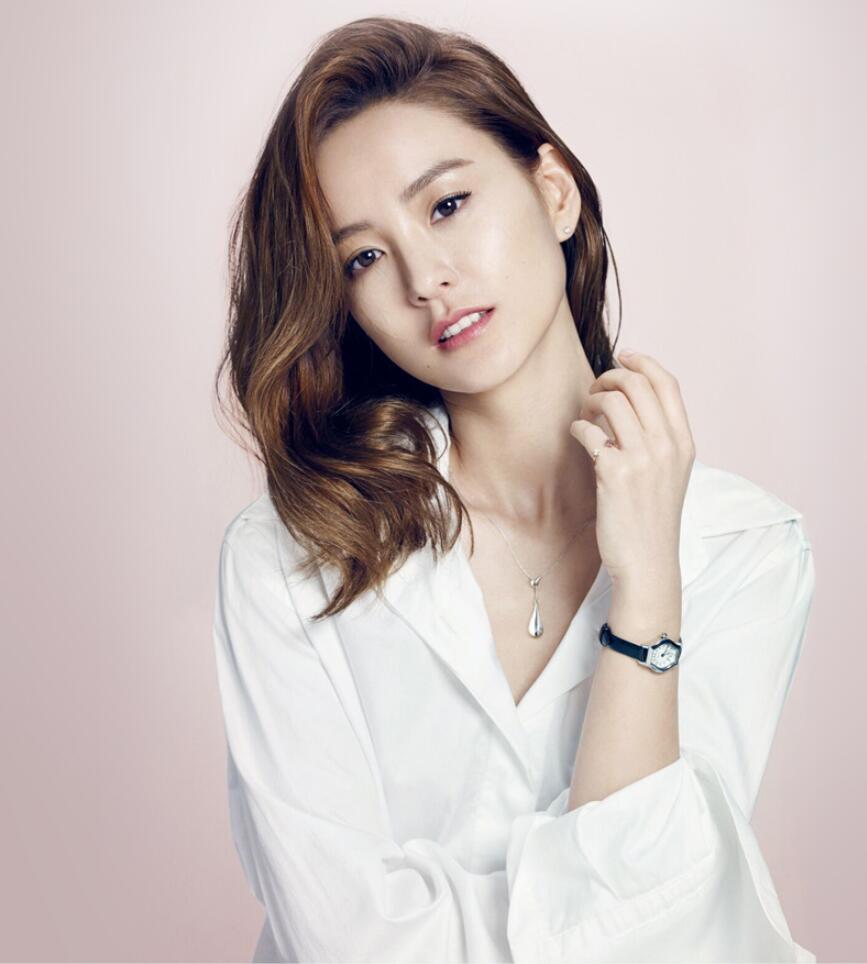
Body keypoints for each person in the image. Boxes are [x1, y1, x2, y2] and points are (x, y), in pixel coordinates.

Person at [211, 15, 816, 963]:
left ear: (553, 191)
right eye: (363, 257)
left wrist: (646, 590)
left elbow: (660, 934)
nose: (425, 278)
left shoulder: (742, 549)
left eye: (447, 204)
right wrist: (574, 909)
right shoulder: (293, 551)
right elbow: (344, 940)